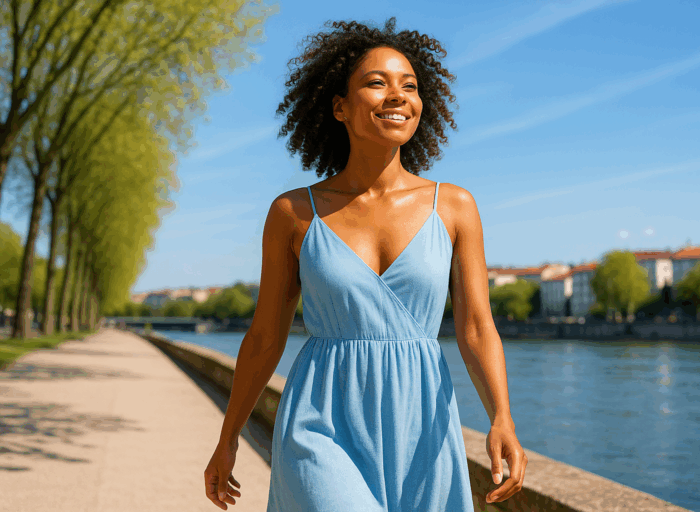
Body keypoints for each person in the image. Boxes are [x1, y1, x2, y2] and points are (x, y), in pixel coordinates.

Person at [204, 17, 527, 511]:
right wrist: (228, 438)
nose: (398, 95)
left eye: (410, 86)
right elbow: (266, 336)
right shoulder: (292, 213)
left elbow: (478, 327)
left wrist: (501, 416)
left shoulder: (454, 206)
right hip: (321, 418)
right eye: (377, 83)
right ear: (339, 107)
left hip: (423, 423)